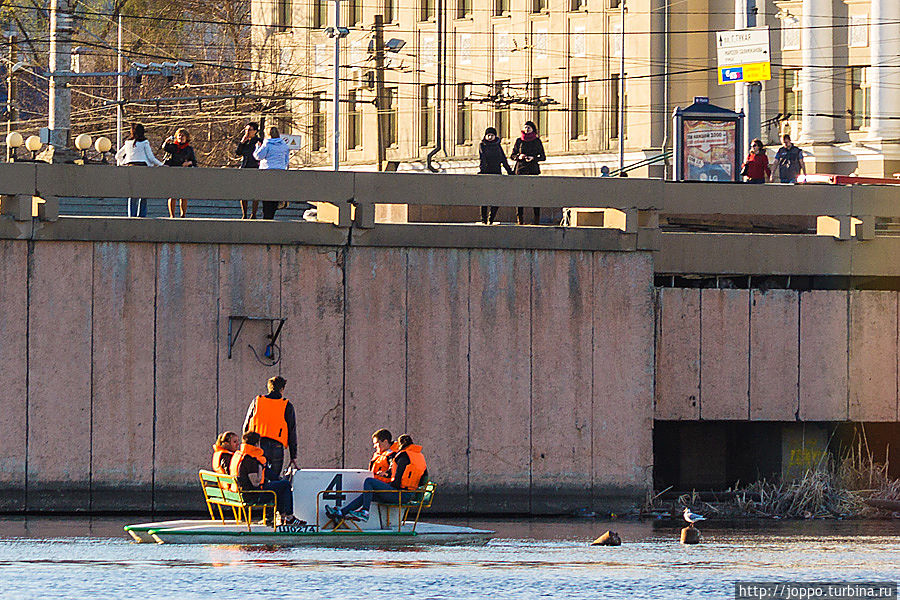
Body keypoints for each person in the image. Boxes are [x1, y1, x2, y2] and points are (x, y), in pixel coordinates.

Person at [326, 434, 427, 523]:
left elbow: (397, 482)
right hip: (409, 494)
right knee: (369, 494)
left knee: (369, 482)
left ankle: (365, 512)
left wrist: (385, 487)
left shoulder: (403, 456)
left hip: (401, 494)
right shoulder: (420, 457)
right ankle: (341, 513)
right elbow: (423, 479)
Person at [230, 431, 301, 526]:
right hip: (253, 495)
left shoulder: (240, 455)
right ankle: (289, 517)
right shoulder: (251, 459)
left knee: (280, 485)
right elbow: (255, 482)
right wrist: (260, 467)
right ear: (257, 444)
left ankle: (283, 516)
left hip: (241, 493)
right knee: (285, 485)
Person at [242, 375, 299, 482]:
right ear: (282, 389)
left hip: (258, 445)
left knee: (260, 476)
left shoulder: (257, 401)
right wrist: (293, 456)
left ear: (269, 387)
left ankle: (262, 497)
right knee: (274, 479)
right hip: (276, 447)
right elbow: (292, 432)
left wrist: (245, 446)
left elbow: (246, 426)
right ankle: (272, 497)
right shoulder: (286, 405)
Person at [114, 123, 163, 217]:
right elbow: (151, 157)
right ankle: (142, 215)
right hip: (142, 169)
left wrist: (123, 162)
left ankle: (131, 215)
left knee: (132, 195)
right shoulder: (144, 142)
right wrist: (161, 164)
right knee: (143, 194)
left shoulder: (128, 143)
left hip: (130, 169)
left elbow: (118, 156)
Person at [510, 121, 546, 225]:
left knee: (535, 196)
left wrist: (533, 158)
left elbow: (543, 157)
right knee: (520, 196)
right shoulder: (519, 141)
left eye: (529, 128)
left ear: (533, 129)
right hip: (520, 171)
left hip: (533, 171)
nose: (526, 129)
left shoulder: (537, 141)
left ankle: (536, 219)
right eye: (525, 127)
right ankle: (520, 219)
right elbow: (512, 155)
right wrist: (519, 157)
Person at [252, 126, 290, 220]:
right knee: (275, 194)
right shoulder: (283, 145)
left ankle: (267, 216)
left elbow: (258, 156)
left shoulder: (267, 144)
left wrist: (257, 147)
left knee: (267, 195)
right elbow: (286, 160)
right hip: (280, 172)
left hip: (267, 171)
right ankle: (271, 213)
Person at [478, 127, 513, 225]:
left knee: (497, 197)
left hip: (497, 173)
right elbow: (482, 159)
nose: (490, 137)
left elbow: (503, 159)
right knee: (484, 198)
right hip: (486, 174)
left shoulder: (498, 146)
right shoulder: (482, 145)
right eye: (488, 135)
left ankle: (491, 218)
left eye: (492, 135)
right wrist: (482, 171)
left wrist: (510, 172)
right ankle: (483, 219)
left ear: (495, 136)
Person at [161, 128, 198, 218]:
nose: (181, 137)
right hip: (173, 172)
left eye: (183, 136)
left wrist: (188, 163)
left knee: (183, 195)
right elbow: (165, 147)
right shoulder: (173, 147)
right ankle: (172, 215)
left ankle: (183, 215)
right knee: (172, 195)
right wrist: (167, 140)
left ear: (186, 138)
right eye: (179, 136)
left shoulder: (189, 149)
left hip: (184, 173)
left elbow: (194, 162)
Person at [235, 122, 262, 219]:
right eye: (246, 130)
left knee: (255, 192)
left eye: (249, 130)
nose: (247, 132)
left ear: (255, 131)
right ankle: (244, 214)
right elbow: (238, 153)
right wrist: (242, 142)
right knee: (243, 193)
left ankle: (253, 214)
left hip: (255, 167)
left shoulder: (259, 141)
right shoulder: (245, 141)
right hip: (244, 167)